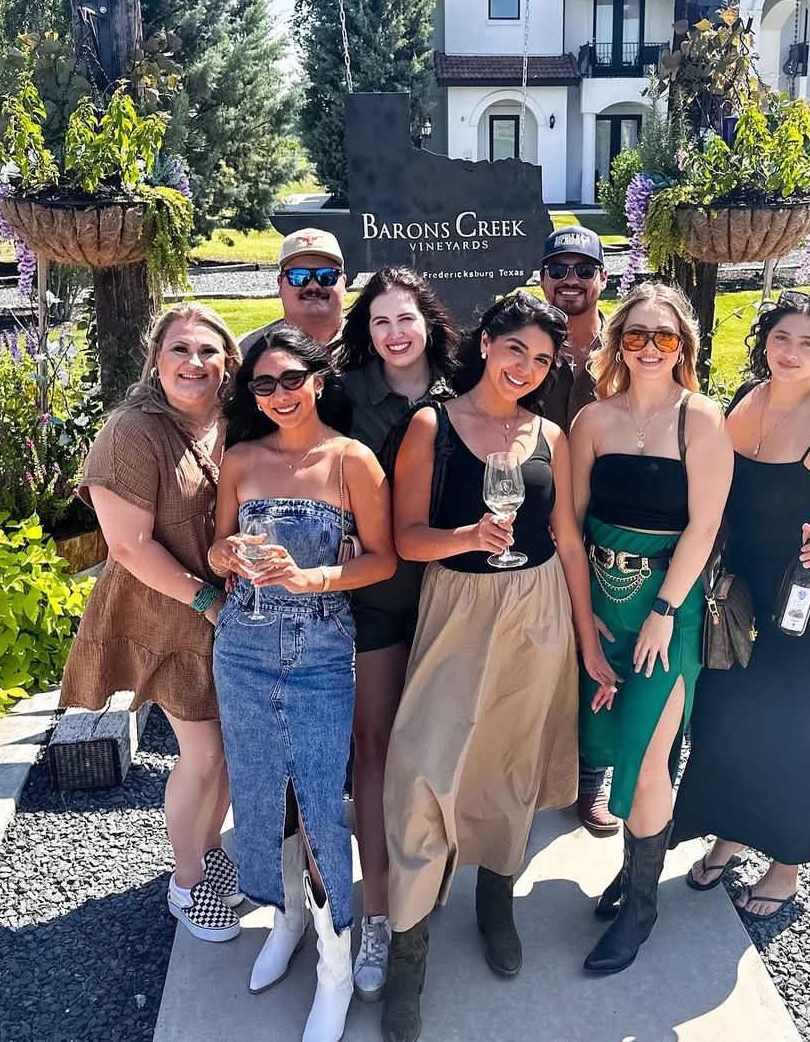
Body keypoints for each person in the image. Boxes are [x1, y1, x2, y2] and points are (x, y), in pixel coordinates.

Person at [380, 293, 618, 1042]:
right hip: (458, 607)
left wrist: (587, 641)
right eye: (516, 350)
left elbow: (569, 543)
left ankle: (496, 898)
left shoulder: (552, 433)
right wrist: (464, 536)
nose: (526, 368)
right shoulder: (432, 426)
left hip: (539, 609)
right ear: (486, 341)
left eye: (543, 360)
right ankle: (408, 955)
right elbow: (407, 540)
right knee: (423, 770)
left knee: (511, 763)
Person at [208, 326, 396, 1042]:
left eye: (292, 378)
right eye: (264, 384)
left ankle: (335, 964)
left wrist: (317, 576)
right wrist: (223, 550)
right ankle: (289, 916)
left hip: (321, 647)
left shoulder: (353, 461)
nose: (280, 394)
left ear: (319, 377)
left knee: (319, 799)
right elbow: (216, 547)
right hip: (244, 645)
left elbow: (382, 560)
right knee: (262, 792)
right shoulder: (241, 458)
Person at [672, 290, 810, 922]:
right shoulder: (740, 404)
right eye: (781, 338)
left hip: (809, 614)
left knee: (791, 734)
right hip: (739, 605)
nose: (790, 352)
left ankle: (786, 863)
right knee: (729, 724)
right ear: (764, 343)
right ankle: (731, 835)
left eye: (807, 343)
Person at [59, 304, 244, 942]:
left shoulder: (233, 420)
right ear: (156, 360)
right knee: (205, 752)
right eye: (181, 350)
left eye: (208, 351)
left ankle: (209, 850)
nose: (195, 362)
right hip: (169, 613)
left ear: (228, 363)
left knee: (227, 751)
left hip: (230, 614)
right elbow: (130, 547)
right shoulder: (133, 432)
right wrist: (209, 604)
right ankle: (187, 882)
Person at [569, 282, 732, 974]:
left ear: (683, 346)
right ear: (617, 342)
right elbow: (571, 532)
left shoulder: (702, 419)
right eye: (634, 335)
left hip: (670, 608)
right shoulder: (593, 423)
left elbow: (704, 524)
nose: (648, 348)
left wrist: (664, 612)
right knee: (607, 743)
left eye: (664, 337)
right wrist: (586, 628)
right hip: (603, 606)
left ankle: (641, 910)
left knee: (646, 762)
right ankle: (631, 874)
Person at [334, 267, 459, 1003]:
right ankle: (377, 908)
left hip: (457, 592)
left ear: (428, 321)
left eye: (404, 318)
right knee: (374, 747)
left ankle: (433, 876)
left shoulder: (469, 379)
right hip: (379, 592)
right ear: (367, 331)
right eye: (380, 321)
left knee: (443, 739)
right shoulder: (348, 394)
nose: (394, 333)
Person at [538, 223, 618, 838]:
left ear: (602, 279)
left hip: (608, 525)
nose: (570, 280)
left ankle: (593, 777)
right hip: (534, 525)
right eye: (558, 269)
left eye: (582, 270)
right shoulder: (526, 345)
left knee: (603, 646)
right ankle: (540, 767)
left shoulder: (626, 348)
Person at [241, 228, 348, 350]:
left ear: (344, 283)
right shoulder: (246, 351)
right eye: (298, 276)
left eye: (327, 276)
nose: (313, 285)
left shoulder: (369, 343)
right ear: (280, 284)